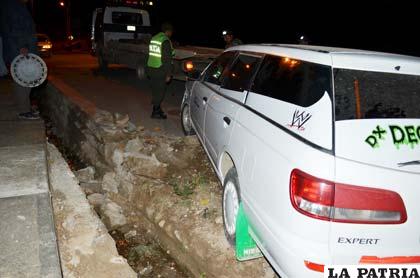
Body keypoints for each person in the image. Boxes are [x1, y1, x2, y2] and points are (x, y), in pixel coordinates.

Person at [0, 0, 39, 120]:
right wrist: (23, 46)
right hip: (19, 50)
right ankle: (24, 111)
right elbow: (16, 27)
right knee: (24, 80)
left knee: (20, 79)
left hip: (15, 49)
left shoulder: (9, 4)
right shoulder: (14, 5)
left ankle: (24, 107)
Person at [146, 22, 175, 119]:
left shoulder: (154, 38)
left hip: (151, 68)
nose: (171, 34)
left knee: (155, 90)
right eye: (171, 32)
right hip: (160, 69)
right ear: (168, 31)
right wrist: (168, 74)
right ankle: (155, 112)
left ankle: (157, 108)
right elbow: (166, 59)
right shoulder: (165, 41)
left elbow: (150, 54)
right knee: (160, 91)